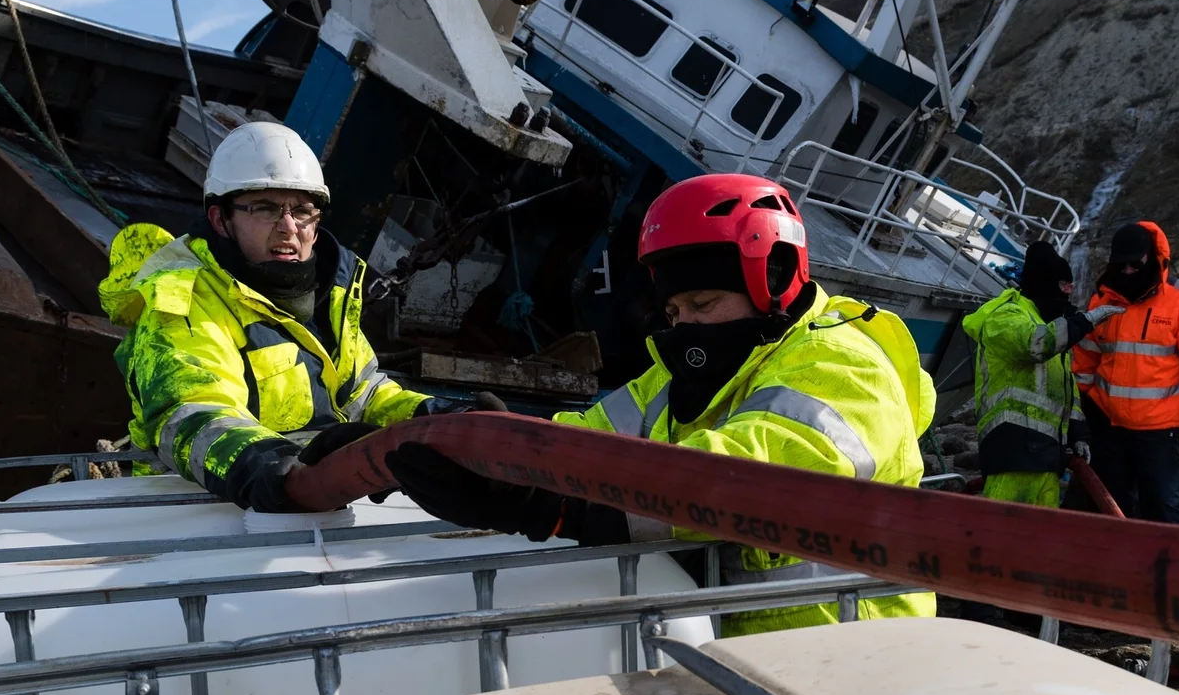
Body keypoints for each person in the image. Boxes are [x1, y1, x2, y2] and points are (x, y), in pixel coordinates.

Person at [385, 172, 938, 635]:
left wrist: (556, 508)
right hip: (734, 656)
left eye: (703, 302)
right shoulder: (684, 373)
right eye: (674, 313)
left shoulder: (844, 367)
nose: (686, 327)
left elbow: (741, 477)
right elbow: (588, 437)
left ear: (774, 280)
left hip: (856, 666)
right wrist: (462, 437)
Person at [99, 122, 471, 512]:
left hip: (319, 501)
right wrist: (273, 468)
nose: (289, 227)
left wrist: (436, 421)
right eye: (265, 208)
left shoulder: (333, 292)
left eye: (303, 210)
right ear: (219, 219)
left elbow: (362, 395)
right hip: (195, 510)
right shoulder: (182, 299)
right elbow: (193, 414)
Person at [1070, 221, 1179, 522]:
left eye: (1135, 264)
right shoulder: (1102, 299)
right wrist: (1083, 412)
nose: (1128, 272)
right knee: (1109, 511)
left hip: (1160, 433)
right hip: (1109, 428)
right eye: (1121, 265)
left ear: (1153, 258)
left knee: (1164, 510)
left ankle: (1168, 567)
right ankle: (1115, 566)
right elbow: (1084, 359)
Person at [963, 239, 1098, 510]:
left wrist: (1079, 435)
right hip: (1013, 452)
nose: (1068, 293)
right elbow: (1033, 345)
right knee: (998, 536)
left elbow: (1065, 390)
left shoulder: (1048, 324)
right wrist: (1084, 322)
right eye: (1064, 285)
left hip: (1048, 457)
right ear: (1046, 284)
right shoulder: (1006, 316)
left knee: (1038, 542)